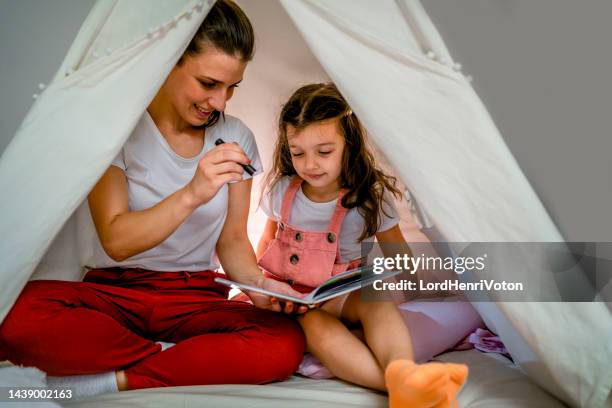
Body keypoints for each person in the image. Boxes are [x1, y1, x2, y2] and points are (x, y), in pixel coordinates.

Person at [0, 0, 306, 398]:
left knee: (284, 342)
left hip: (193, 296)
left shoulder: (237, 136)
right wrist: (193, 192)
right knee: (15, 316)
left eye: (232, 87)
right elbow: (116, 238)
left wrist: (260, 287)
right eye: (209, 83)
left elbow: (232, 240)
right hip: (116, 295)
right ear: (169, 61)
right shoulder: (118, 128)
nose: (220, 102)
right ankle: (183, 359)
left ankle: (117, 378)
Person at [256, 83, 468, 408]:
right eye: (298, 152)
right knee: (315, 327)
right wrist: (264, 289)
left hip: (341, 296)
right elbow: (267, 243)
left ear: (348, 145)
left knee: (377, 298)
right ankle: (399, 387)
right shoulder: (283, 191)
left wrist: (411, 295)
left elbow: (400, 258)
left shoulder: (368, 199)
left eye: (324, 152)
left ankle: (403, 371)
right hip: (296, 302)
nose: (310, 164)